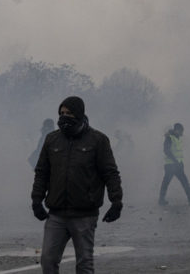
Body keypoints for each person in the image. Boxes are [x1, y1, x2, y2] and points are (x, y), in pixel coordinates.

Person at [31, 96, 123, 274]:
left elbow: (110, 173)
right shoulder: (51, 140)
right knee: (48, 260)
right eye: (62, 113)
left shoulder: (98, 140)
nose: (64, 117)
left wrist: (116, 201)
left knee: (84, 264)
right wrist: (36, 200)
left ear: (80, 114)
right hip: (56, 214)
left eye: (69, 113)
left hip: (84, 215)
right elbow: (42, 172)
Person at [159, 123, 190, 206]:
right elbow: (166, 151)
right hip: (170, 165)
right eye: (181, 131)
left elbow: (179, 151)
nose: (182, 133)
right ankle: (161, 199)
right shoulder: (169, 138)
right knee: (166, 182)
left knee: (184, 180)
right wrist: (175, 161)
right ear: (177, 130)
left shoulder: (178, 138)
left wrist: (180, 162)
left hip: (178, 164)